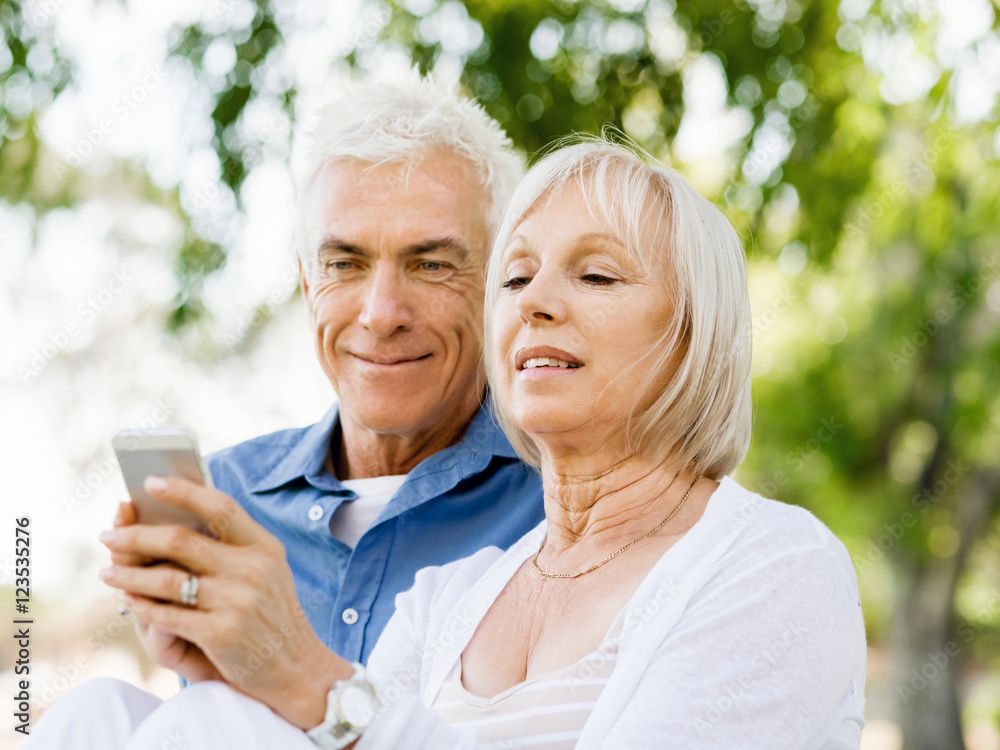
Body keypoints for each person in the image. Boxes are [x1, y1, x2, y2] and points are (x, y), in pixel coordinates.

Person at [27, 137, 866, 749]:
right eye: (516, 275)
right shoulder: (451, 597)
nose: (535, 300)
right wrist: (235, 676)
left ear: (694, 335)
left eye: (596, 273)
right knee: (101, 715)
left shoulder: (773, 566)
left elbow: (351, 717)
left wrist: (309, 681)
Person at [110, 70, 545, 676]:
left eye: (430, 264)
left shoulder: (563, 506)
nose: (381, 314)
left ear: (503, 282)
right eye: (345, 262)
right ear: (307, 281)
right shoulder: (226, 499)